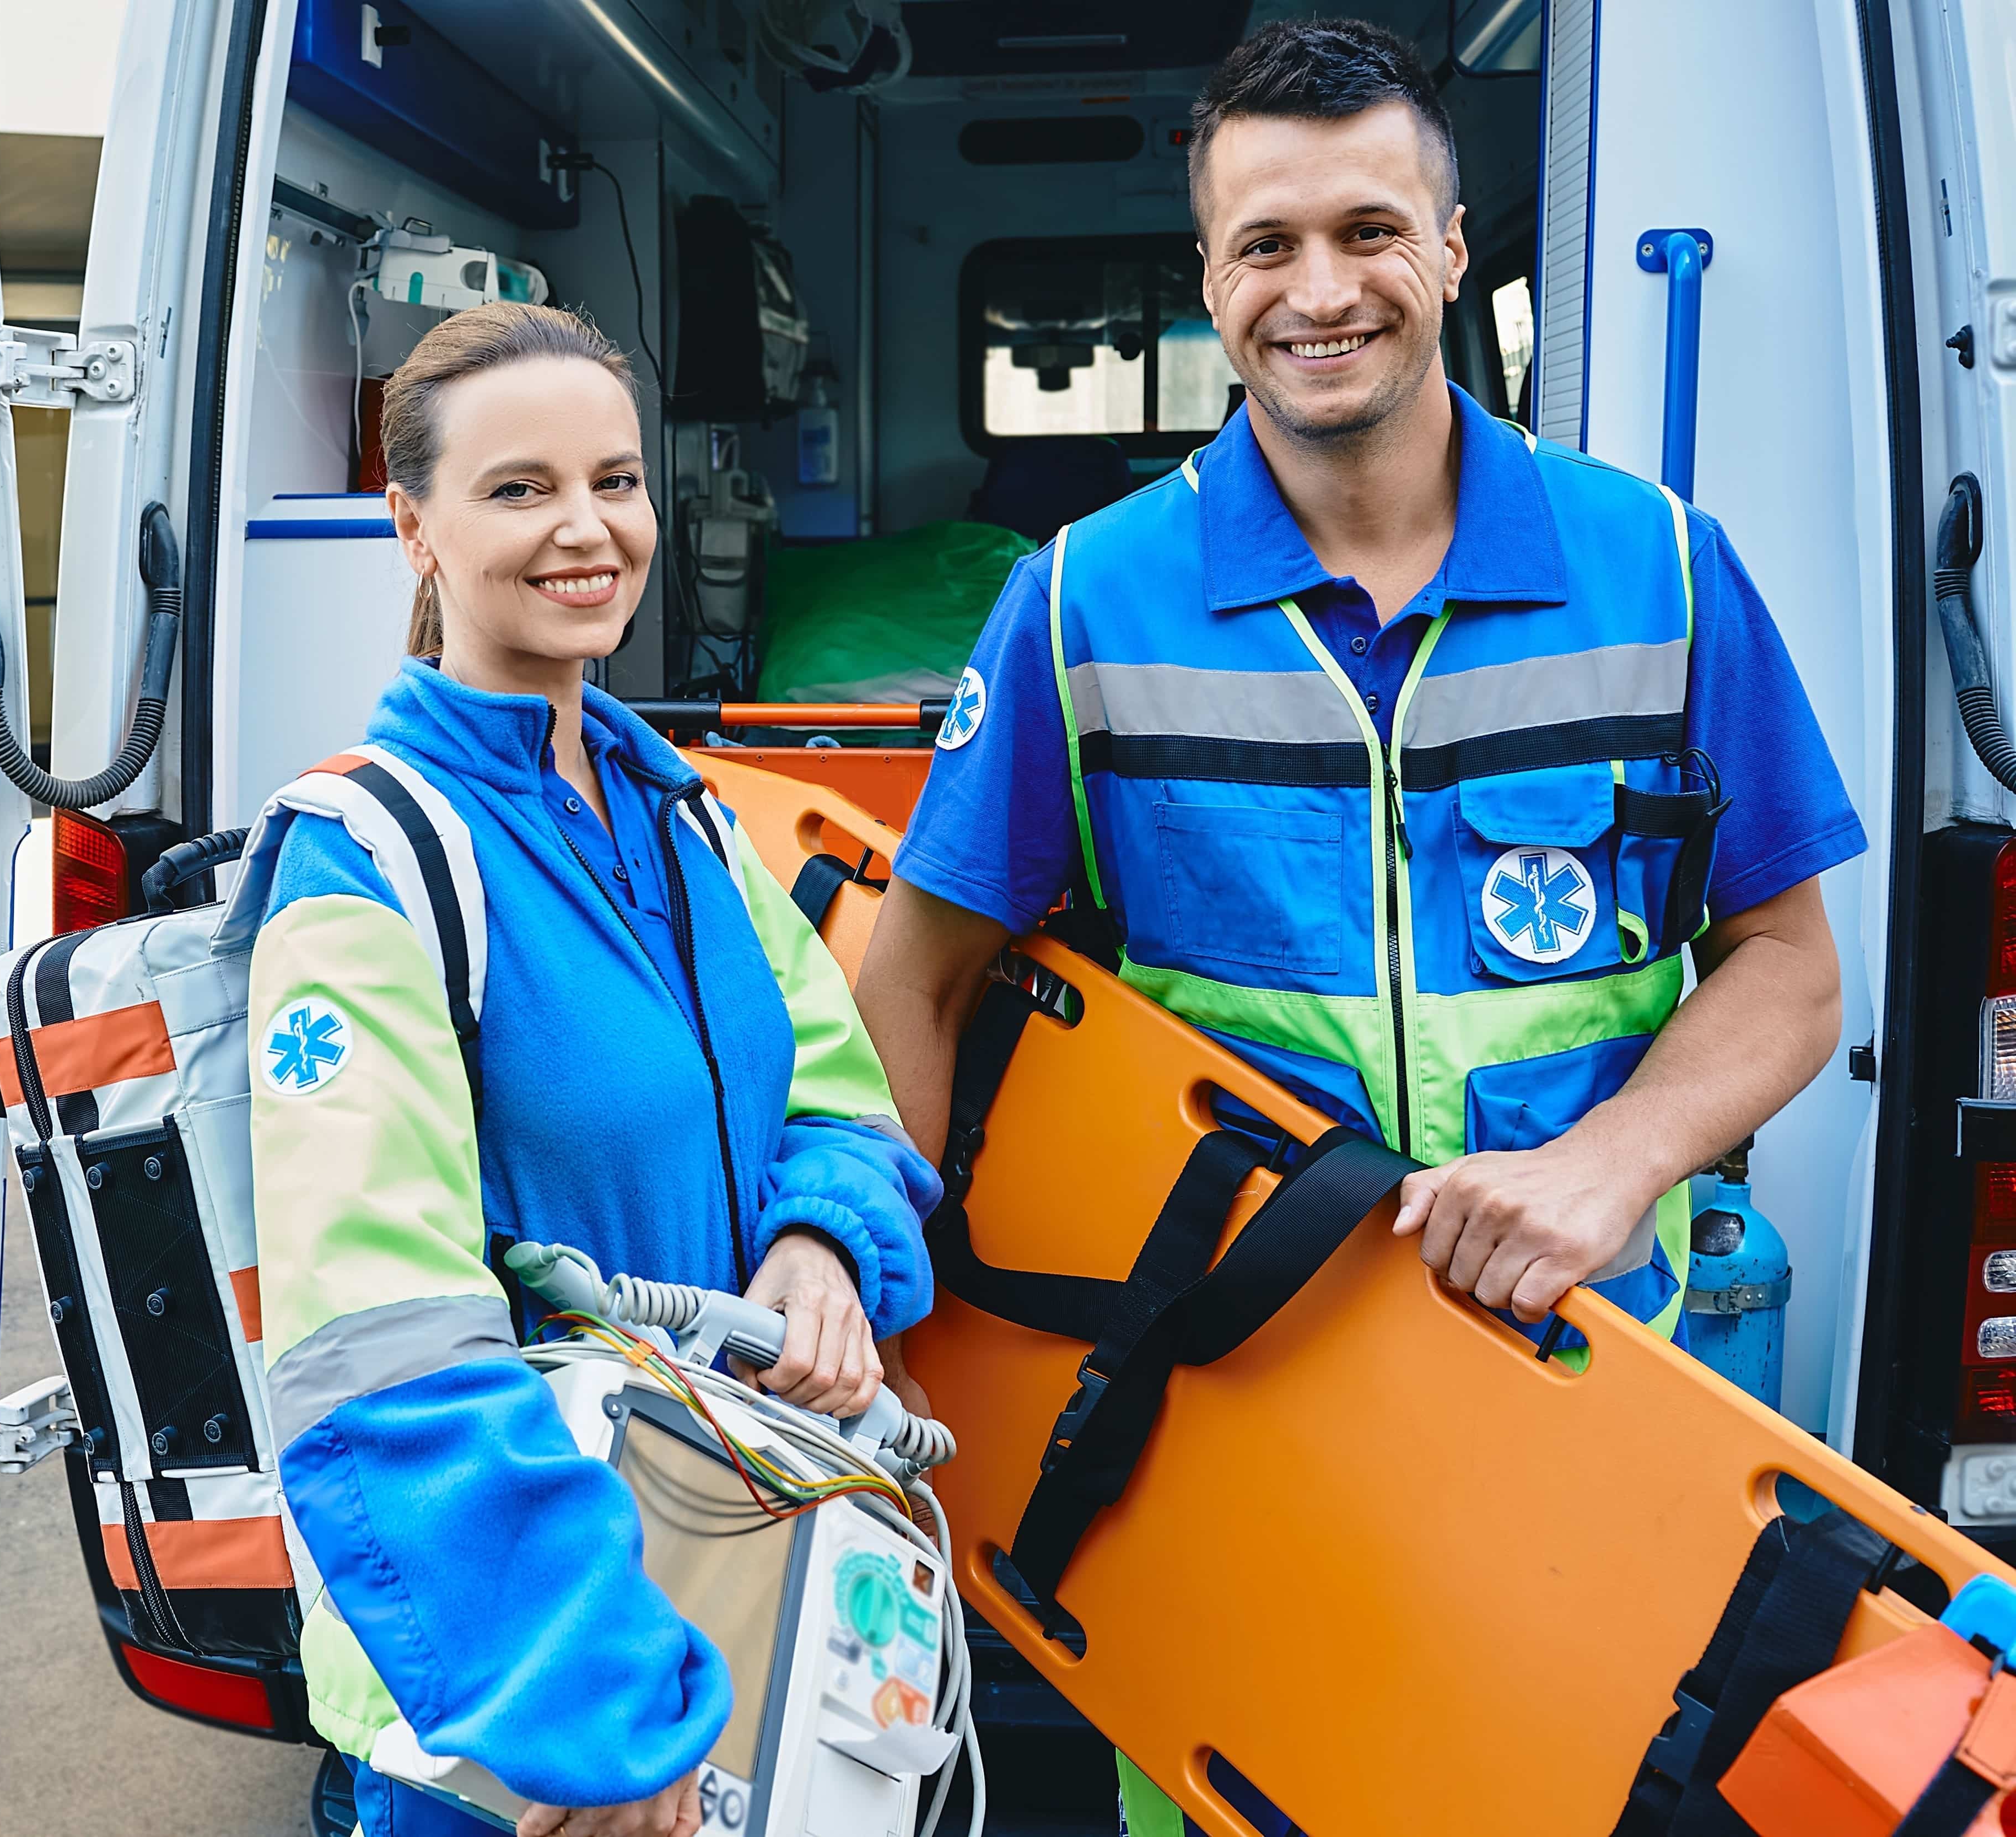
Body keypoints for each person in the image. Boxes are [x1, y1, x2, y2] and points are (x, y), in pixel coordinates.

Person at [854, 20, 1860, 1837]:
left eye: (1369, 231)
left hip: (1584, 1382)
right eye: (1266, 246)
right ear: (1210, 281)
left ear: (1455, 250)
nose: (1321, 290)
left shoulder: (1669, 570)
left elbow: (1789, 966)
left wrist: (1615, 1161)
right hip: (1219, 1408)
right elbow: (913, 980)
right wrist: (876, 1316)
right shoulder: (1079, 602)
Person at [249, 301, 941, 1837]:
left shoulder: (677, 810)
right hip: (519, 1695)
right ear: (412, 526)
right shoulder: (370, 862)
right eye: (520, 490)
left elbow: (836, 1086)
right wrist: (590, 1722)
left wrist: (823, 1243)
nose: (588, 530)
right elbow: (380, 1345)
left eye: (615, 482)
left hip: (714, 1564)